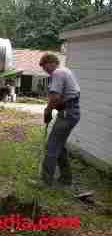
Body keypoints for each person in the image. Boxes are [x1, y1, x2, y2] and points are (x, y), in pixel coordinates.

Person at [31, 53, 81, 189]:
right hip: (70, 112)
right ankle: (66, 179)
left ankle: (45, 182)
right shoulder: (66, 71)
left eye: (45, 67)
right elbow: (59, 98)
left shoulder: (58, 73)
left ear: (51, 63)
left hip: (67, 112)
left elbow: (55, 97)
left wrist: (47, 110)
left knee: (51, 146)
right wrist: (54, 108)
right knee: (59, 147)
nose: (45, 70)